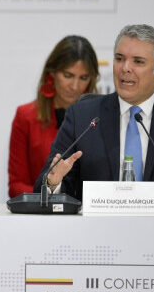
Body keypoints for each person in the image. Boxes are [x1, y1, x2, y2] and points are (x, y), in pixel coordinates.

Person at [34, 24, 154, 207]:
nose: (125, 68)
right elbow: (42, 187)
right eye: (119, 58)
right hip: (96, 235)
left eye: (138, 61)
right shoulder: (83, 117)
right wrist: (53, 183)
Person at [8, 36, 99, 198]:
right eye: (68, 75)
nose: (75, 86)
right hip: (39, 215)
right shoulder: (26, 116)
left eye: (83, 78)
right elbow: (16, 186)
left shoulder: (98, 119)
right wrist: (51, 198)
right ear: (52, 73)